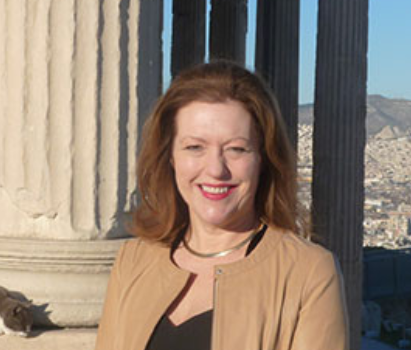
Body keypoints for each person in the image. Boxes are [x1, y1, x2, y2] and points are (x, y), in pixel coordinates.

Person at [94, 61, 349, 350]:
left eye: (236, 149)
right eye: (195, 147)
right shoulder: (132, 261)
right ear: (170, 156)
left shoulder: (308, 272)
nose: (216, 169)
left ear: (262, 159)